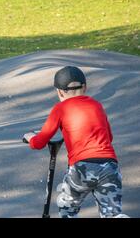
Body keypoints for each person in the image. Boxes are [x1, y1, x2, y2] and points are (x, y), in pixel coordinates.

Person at [23, 66, 126, 218]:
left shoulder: (60, 108)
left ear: (59, 91)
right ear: (85, 87)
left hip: (81, 168)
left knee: (67, 207)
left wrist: (30, 138)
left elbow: (40, 142)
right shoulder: (97, 105)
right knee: (111, 213)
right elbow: (109, 137)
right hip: (110, 166)